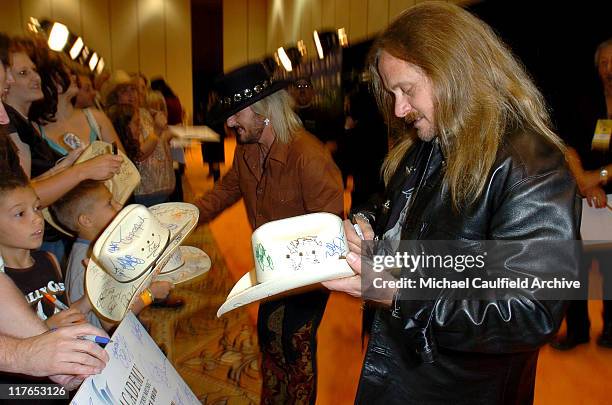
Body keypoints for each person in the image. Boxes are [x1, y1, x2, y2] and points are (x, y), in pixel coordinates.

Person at [322, 3, 578, 404]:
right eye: (392, 94)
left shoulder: (531, 166)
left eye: (407, 90)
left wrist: (399, 293)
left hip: (461, 387)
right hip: (404, 369)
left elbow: (532, 311)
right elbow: (395, 204)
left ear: (453, 71)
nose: (399, 110)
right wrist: (368, 221)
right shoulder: (432, 140)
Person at [194, 62, 344, 405]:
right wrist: (183, 219)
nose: (229, 123)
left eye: (236, 114)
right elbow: (224, 192)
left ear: (263, 111)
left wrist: (297, 271)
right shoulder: (247, 150)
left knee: (295, 345)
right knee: (269, 339)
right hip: (270, 271)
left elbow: (330, 235)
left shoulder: (309, 157)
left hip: (308, 276)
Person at [50, 180, 174, 331]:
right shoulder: (89, 263)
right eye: (109, 203)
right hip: (108, 344)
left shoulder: (95, 248)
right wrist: (150, 294)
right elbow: (112, 324)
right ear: (86, 220)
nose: (119, 206)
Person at [552, 38, 612, 350]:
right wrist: (584, 182)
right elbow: (568, 146)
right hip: (584, 196)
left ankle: (611, 329)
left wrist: (600, 177)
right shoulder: (585, 101)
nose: (609, 69)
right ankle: (576, 331)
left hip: (607, 194)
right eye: (603, 63)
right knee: (575, 265)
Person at [0, 174, 86, 329]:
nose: (38, 219)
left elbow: (66, 312)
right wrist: (47, 327)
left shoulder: (49, 259)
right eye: (20, 213)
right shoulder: (3, 283)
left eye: (37, 208)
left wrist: (93, 293)